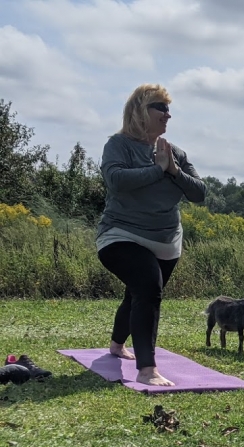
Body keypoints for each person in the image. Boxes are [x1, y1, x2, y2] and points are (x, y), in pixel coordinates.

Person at [96, 84, 207, 386]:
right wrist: (157, 170)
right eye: (160, 107)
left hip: (166, 240)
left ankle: (117, 344)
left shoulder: (175, 153)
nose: (167, 114)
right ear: (140, 111)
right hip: (120, 234)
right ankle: (148, 370)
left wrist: (172, 170)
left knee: (137, 294)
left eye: (169, 109)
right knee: (147, 286)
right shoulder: (118, 145)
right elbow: (116, 180)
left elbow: (200, 193)